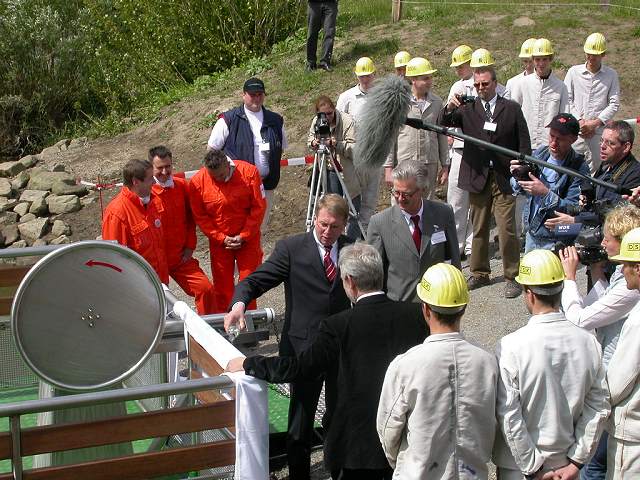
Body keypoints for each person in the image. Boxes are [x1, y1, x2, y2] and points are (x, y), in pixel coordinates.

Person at [226, 243, 427, 480]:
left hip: (355, 446)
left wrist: (250, 364)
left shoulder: (337, 326)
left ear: (349, 282)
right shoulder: (416, 315)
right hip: (405, 438)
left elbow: (300, 368)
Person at [224, 194, 353, 480]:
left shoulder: (351, 251)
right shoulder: (292, 249)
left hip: (339, 350)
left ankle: (339, 471)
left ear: (345, 224)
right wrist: (239, 304)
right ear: (314, 220)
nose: (326, 232)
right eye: (322, 224)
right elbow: (255, 281)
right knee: (301, 420)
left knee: (339, 414)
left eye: (334, 226)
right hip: (302, 350)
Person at [494, 249, 610, 480]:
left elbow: (508, 414)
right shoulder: (589, 342)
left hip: (519, 468)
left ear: (529, 294)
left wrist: (533, 466)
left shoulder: (510, 346)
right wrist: (577, 461)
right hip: (566, 464)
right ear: (560, 288)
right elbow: (598, 406)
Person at [377, 263, 498, 480]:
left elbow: (388, 428)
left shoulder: (406, 365)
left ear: (425, 309)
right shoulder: (487, 361)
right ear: (464, 308)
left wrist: (406, 462)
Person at [560, 204, 640, 480]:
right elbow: (604, 302)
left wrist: (569, 278)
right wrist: (596, 270)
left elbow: (581, 319)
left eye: (607, 238)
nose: (602, 242)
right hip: (613, 376)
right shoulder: (623, 277)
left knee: (594, 465)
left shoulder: (633, 294)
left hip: (620, 396)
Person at [440, 64, 531, 298]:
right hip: (478, 175)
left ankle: (512, 276)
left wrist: (523, 168)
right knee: (478, 226)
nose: (481, 88)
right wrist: (451, 105)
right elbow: (443, 121)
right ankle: (480, 272)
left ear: (495, 84)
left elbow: (523, 141)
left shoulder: (511, 108)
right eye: (477, 84)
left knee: (507, 227)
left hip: (503, 176)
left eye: (485, 84)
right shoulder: (468, 109)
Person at [367, 161, 460, 302]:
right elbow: (374, 275)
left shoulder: (443, 213)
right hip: (398, 309)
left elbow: (454, 261)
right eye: (396, 192)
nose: (399, 199)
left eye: (406, 194)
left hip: (436, 303)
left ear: (423, 190)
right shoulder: (379, 223)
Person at [189, 149, 266, 312]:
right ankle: (226, 321)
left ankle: (249, 321)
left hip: (248, 239)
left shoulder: (249, 172)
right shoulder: (198, 182)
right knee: (222, 285)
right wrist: (220, 238)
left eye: (221, 175)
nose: (219, 180)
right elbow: (200, 216)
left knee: (249, 281)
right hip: (220, 243)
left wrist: (244, 235)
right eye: (214, 177)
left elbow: (258, 207)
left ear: (227, 164)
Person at [206, 77, 286, 232]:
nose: (256, 97)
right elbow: (211, 152)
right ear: (243, 95)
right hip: (237, 187)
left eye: (259, 94)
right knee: (237, 229)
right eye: (252, 94)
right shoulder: (228, 119)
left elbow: (280, 149)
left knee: (259, 230)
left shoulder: (276, 120)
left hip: (266, 186)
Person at [149, 146, 217, 314]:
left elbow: (191, 219)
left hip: (180, 257)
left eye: (168, 166)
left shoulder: (182, 187)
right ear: (151, 168)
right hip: (156, 262)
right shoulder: (145, 192)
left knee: (205, 289)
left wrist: (190, 246)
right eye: (160, 168)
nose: (165, 172)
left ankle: (208, 331)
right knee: (158, 303)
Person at [509, 113, 589, 252]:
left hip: (557, 241)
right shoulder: (541, 154)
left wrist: (545, 193)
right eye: (552, 136)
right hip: (532, 235)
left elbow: (574, 208)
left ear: (573, 139)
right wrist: (517, 176)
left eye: (560, 139)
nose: (553, 143)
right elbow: (518, 189)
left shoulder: (578, 167)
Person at [545, 120, 640, 231]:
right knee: (554, 229)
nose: (602, 146)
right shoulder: (607, 164)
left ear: (626, 147)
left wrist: (575, 221)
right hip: (592, 227)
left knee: (560, 231)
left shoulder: (635, 174)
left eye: (610, 143)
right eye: (601, 141)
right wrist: (587, 197)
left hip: (609, 236)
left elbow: (614, 213)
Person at [384, 57, 449, 200]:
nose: (430, 82)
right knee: (401, 201)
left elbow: (442, 135)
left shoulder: (437, 102)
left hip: (429, 165)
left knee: (426, 203)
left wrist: (445, 165)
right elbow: (390, 137)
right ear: (413, 80)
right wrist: (388, 168)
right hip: (404, 163)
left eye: (430, 77)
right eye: (425, 78)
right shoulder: (399, 102)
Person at [606, 227, 640, 479]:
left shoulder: (638, 318)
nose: (621, 270)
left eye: (624, 264)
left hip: (632, 435)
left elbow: (618, 382)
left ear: (637, 267)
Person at [102, 159, 168, 284]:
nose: (154, 182)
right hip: (139, 286)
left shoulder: (152, 202)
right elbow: (115, 259)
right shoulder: (117, 213)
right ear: (136, 182)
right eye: (150, 179)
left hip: (160, 280)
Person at [565, 33, 620, 173]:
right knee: (570, 168)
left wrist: (595, 123)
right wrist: (579, 121)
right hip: (575, 131)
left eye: (595, 55)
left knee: (596, 171)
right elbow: (567, 98)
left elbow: (614, 103)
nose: (591, 58)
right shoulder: (573, 72)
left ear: (603, 54)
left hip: (598, 135)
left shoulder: (611, 75)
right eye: (588, 54)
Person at [307, 95, 361, 238]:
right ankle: (330, 239)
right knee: (331, 209)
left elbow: (355, 149)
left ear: (334, 109)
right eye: (323, 114)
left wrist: (337, 144)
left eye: (330, 113)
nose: (327, 118)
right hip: (327, 170)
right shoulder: (317, 121)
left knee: (352, 209)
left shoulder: (347, 121)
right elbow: (310, 139)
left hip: (346, 170)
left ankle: (350, 242)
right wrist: (314, 143)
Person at [336, 57, 378, 232]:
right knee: (351, 199)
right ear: (356, 76)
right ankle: (348, 237)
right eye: (362, 76)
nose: (365, 80)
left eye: (368, 75)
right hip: (352, 157)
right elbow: (336, 124)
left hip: (375, 155)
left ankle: (365, 237)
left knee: (370, 200)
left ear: (374, 74)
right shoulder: (347, 98)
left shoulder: (380, 95)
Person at [510, 38, 569, 150]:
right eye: (537, 59)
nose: (541, 64)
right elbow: (512, 112)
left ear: (551, 59)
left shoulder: (561, 87)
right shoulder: (522, 83)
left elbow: (564, 117)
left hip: (549, 146)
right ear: (533, 60)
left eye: (545, 59)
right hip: (525, 143)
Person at [447, 44, 475, 258]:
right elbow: (447, 116)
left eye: (461, 65)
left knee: (475, 200)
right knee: (456, 199)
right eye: (457, 66)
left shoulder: (483, 84)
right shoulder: (456, 86)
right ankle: (455, 244)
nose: (458, 69)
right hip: (458, 146)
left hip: (478, 147)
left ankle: (471, 245)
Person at [305, 0, 337, 72]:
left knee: (329, 33)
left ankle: (325, 61)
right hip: (314, 4)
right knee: (312, 34)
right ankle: (311, 63)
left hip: (330, 3)